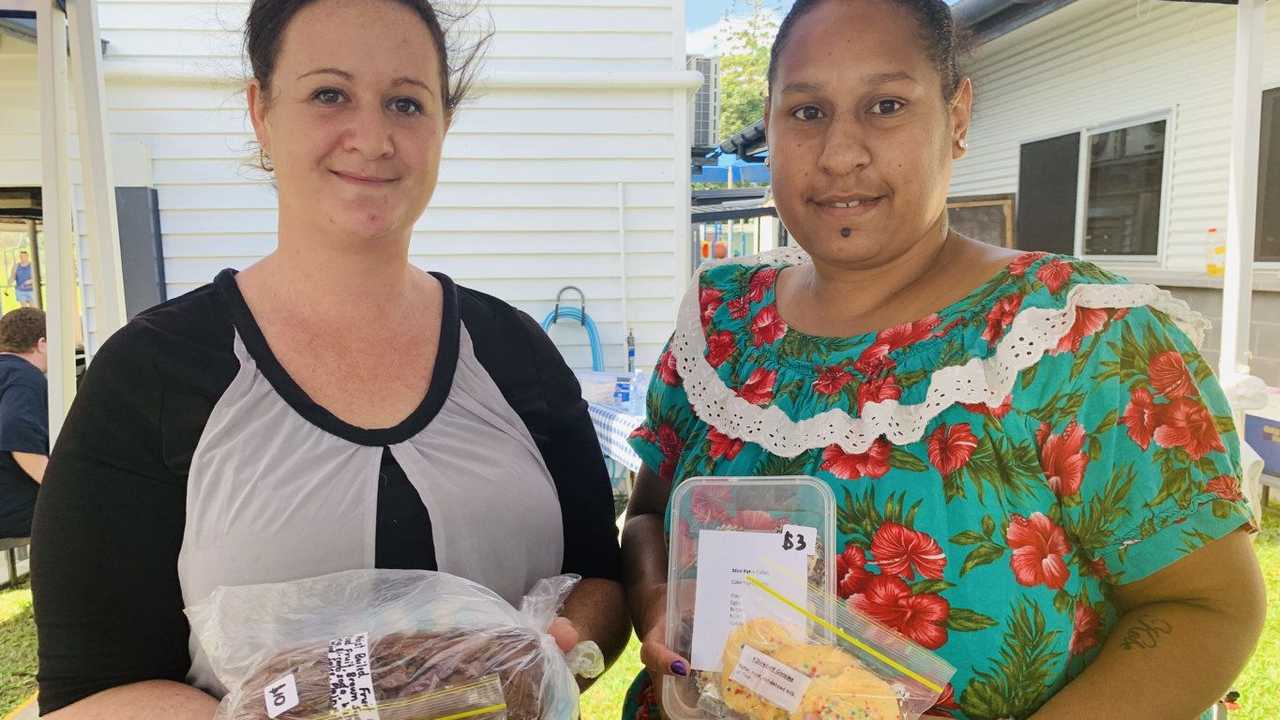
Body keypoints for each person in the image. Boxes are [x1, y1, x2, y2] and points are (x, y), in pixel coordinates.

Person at [620, 2, 1265, 719]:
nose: (840, 154)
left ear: (957, 116)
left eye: (885, 106)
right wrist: (661, 604)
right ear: (769, 123)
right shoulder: (721, 325)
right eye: (807, 113)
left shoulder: (1076, 337)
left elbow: (1208, 607)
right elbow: (651, 516)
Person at [30, 0, 629, 717]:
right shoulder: (150, 374)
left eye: (406, 102)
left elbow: (600, 578)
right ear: (261, 112)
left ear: (441, 125)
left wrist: (556, 656)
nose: (372, 138)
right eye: (329, 94)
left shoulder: (515, 353)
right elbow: (88, 690)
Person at [0, 308, 48, 540]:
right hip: (11, 508)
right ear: (42, 343)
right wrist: (58, 485)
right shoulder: (25, 376)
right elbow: (17, 428)